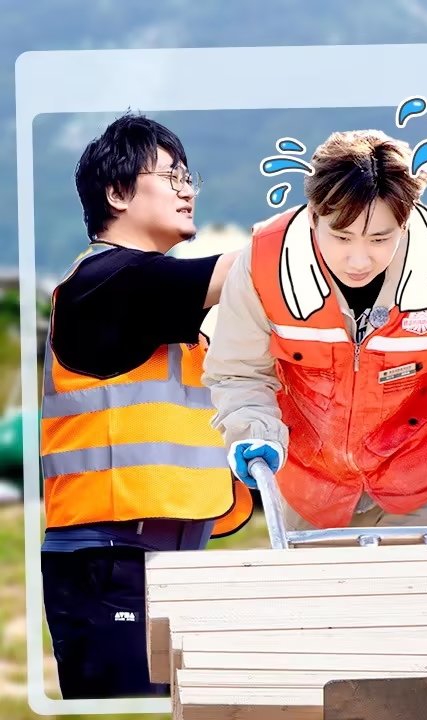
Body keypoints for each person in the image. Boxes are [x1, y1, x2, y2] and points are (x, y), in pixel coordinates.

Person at [203, 129, 427, 532]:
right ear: (313, 216)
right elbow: (238, 371)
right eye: (341, 237)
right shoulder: (265, 260)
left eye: (380, 238)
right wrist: (253, 431)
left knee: (423, 574)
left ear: (406, 222)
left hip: (420, 475)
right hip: (312, 482)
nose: (358, 260)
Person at [40, 112, 253, 699]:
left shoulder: (154, 297)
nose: (188, 190)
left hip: (169, 559)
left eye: (190, 177)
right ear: (117, 193)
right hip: (111, 562)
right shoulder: (103, 284)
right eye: (171, 175)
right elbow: (249, 270)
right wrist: (342, 215)